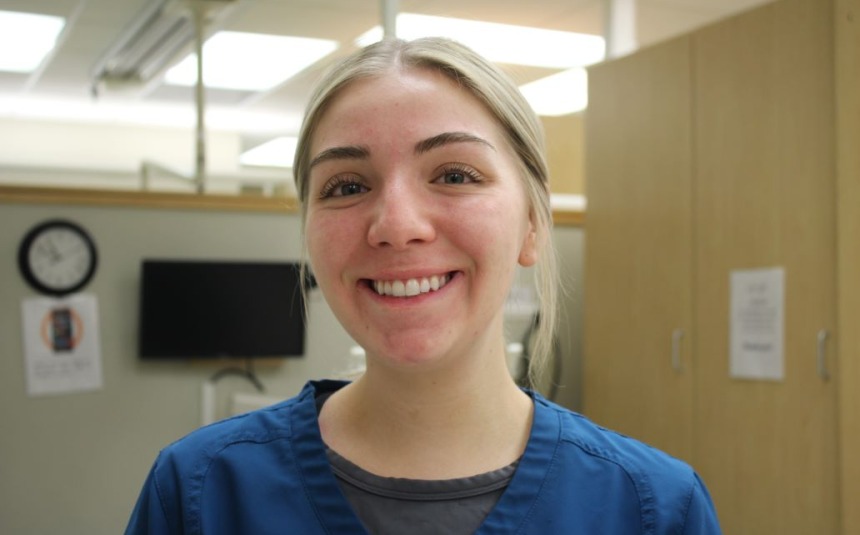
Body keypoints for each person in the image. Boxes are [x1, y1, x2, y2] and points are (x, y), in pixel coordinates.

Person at [125, 37, 721, 534]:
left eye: (455, 174)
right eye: (346, 186)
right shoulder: (201, 494)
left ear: (532, 225)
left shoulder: (652, 510)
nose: (397, 226)